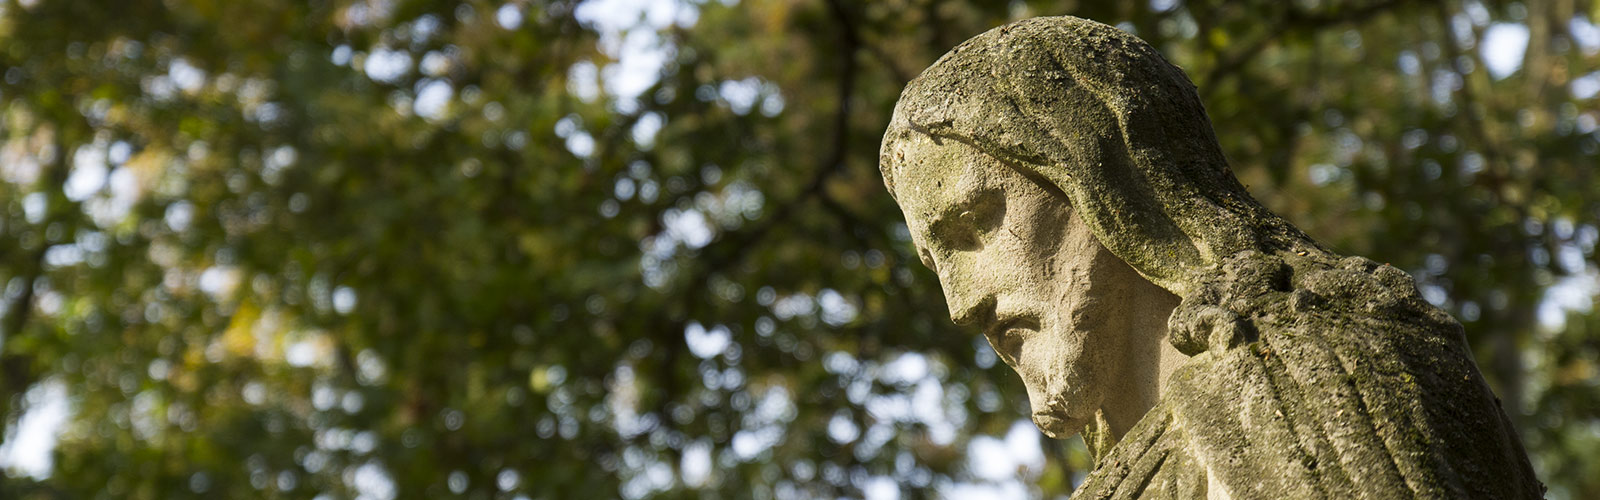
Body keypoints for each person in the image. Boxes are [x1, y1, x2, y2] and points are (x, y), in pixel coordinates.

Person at [879, 16, 1542, 499]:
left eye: (975, 224)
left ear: (1107, 179)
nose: (961, 305)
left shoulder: (1316, 369)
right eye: (938, 265)